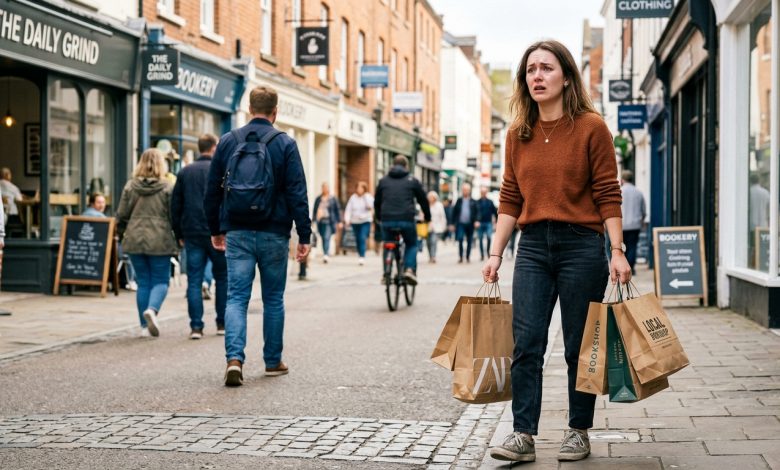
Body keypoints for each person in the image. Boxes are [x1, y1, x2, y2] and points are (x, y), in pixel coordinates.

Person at [482, 40, 630, 463]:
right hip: (531, 247)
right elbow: (510, 197)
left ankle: (578, 430)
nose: (537, 76)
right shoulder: (518, 133)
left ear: (566, 77)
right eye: (531, 70)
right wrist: (495, 254)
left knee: (579, 346)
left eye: (546, 68)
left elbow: (607, 192)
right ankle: (522, 435)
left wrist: (617, 249)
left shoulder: (591, 127)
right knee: (526, 343)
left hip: (581, 246)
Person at [204, 85, 311, 386]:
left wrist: (215, 229)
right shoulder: (285, 143)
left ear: (249, 109)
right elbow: (297, 192)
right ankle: (273, 361)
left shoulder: (228, 141)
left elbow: (211, 191)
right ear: (275, 112)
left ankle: (234, 360)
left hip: (237, 230)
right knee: (273, 298)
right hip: (274, 232)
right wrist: (304, 235)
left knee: (236, 297)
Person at [171, 133, 228, 340]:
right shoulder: (221, 170)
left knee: (194, 280)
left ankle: (196, 327)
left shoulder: (185, 172)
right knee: (222, 278)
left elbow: (175, 206)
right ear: (213, 148)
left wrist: (179, 233)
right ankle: (221, 323)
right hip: (218, 232)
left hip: (192, 232)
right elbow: (227, 201)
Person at [117, 148, 179, 338]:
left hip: (134, 238)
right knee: (160, 280)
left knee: (143, 282)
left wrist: (121, 234)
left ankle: (144, 327)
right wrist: (177, 235)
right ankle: (152, 310)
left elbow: (121, 214)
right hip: (160, 239)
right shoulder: (167, 187)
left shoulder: (130, 186)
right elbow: (174, 215)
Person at [374, 155, 430, 285]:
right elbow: (423, 200)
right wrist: (427, 217)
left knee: (388, 243)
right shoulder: (412, 180)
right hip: (406, 219)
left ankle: (386, 273)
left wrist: (379, 217)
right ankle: (409, 269)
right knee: (411, 244)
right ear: (406, 166)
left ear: (392, 165)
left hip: (387, 219)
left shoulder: (383, 181)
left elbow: (377, 202)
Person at [620, 170, 646, 274]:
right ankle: (631, 268)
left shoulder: (619, 191)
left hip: (621, 225)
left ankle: (623, 268)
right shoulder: (638, 193)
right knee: (632, 246)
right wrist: (642, 221)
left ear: (622, 180)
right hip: (635, 225)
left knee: (622, 248)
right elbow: (643, 210)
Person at [343, 181, 374, 265]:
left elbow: (372, 207)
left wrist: (365, 198)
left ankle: (362, 256)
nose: (359, 190)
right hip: (355, 221)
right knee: (357, 238)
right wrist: (347, 219)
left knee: (362, 237)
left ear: (364, 189)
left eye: (361, 188)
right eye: (358, 188)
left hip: (365, 221)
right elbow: (348, 209)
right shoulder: (353, 198)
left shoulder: (368, 197)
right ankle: (360, 254)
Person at [312, 183, 341, 263]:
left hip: (329, 221)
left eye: (326, 187)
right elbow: (315, 210)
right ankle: (325, 253)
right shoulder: (318, 199)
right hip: (320, 221)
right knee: (322, 237)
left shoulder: (332, 199)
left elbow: (337, 210)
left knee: (326, 237)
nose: (324, 189)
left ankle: (326, 255)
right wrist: (313, 220)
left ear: (328, 188)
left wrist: (339, 221)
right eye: (323, 187)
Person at [451, 183, 480, 263]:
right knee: (460, 238)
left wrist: (477, 221)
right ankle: (460, 257)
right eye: (464, 190)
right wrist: (452, 224)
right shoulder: (459, 200)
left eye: (467, 190)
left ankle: (467, 256)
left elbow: (477, 212)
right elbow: (454, 212)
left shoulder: (473, 201)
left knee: (469, 241)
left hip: (470, 224)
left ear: (469, 191)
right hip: (461, 223)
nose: (465, 191)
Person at [477, 186, 498, 261]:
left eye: (484, 192)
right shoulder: (477, 202)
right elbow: (475, 213)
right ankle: (482, 255)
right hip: (480, 223)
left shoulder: (490, 202)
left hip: (488, 223)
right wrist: (475, 221)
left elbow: (495, 212)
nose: (483, 193)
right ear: (480, 193)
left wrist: (496, 222)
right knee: (480, 239)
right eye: (482, 192)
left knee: (489, 237)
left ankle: (488, 252)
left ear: (486, 193)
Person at [426, 191, 447, 263]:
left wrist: (444, 225)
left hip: (436, 226)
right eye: (429, 197)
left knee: (433, 241)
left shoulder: (439, 205)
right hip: (427, 226)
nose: (430, 199)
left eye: (432, 197)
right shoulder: (426, 205)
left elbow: (442, 216)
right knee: (428, 242)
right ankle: (430, 256)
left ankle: (433, 256)